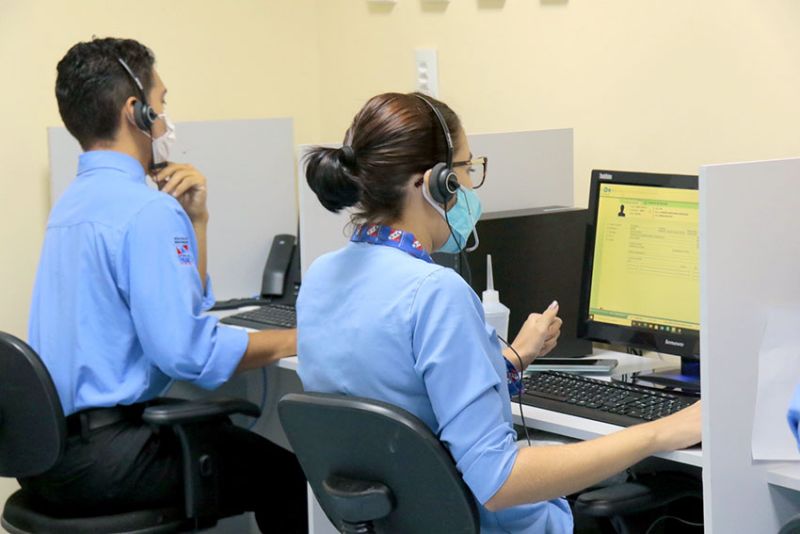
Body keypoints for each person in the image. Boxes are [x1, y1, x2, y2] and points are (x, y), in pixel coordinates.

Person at [296, 92, 702, 533]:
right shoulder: (434, 292)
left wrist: (512, 359)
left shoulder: (321, 275)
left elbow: (404, 400)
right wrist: (658, 433)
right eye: (467, 169)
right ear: (435, 183)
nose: (471, 185)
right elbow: (500, 482)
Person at [22, 37, 307, 533]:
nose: (166, 115)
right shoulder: (147, 210)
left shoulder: (73, 204)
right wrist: (301, 337)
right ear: (137, 111)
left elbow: (183, 309)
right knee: (288, 474)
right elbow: (187, 353)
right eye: (162, 101)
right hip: (111, 459)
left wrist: (195, 221)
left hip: (48, 456)